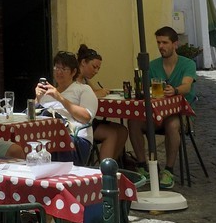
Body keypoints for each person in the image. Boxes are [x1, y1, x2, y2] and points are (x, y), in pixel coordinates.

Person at [127, 27, 197, 189]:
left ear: (175, 44)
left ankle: (168, 170)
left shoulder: (188, 64)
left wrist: (176, 90)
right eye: (158, 42)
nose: (161, 46)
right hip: (157, 114)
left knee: (172, 125)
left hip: (180, 115)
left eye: (165, 42)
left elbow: (187, 85)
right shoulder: (152, 66)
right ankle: (143, 165)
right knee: (133, 121)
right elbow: (148, 90)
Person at [34, 51, 98, 164]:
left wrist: (60, 98)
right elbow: (32, 117)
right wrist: (37, 99)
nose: (59, 72)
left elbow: (86, 117)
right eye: (56, 68)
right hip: (47, 137)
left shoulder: (83, 89)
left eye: (64, 69)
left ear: (73, 72)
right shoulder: (47, 92)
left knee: (54, 140)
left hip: (74, 138)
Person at [76, 43, 128, 164]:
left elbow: (93, 93)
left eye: (98, 68)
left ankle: (108, 165)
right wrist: (97, 94)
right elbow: (85, 97)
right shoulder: (74, 79)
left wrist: (99, 92)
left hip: (89, 119)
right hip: (79, 121)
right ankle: (103, 174)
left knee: (123, 131)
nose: (96, 71)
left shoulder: (85, 80)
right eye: (94, 67)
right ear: (83, 62)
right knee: (111, 133)